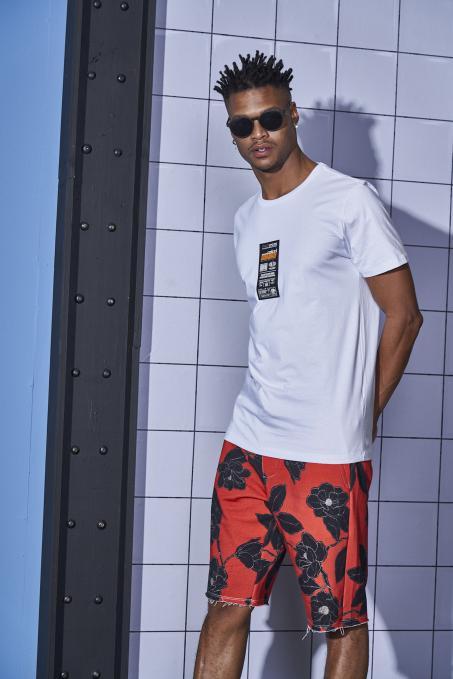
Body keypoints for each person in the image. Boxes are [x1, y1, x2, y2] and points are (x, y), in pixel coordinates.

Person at [193, 50, 423, 679]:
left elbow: (405, 317)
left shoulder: (348, 201)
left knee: (340, 620)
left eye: (269, 118)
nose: (258, 134)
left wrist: (360, 415)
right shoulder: (246, 220)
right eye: (243, 124)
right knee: (226, 605)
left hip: (325, 451)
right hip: (248, 443)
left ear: (292, 116)